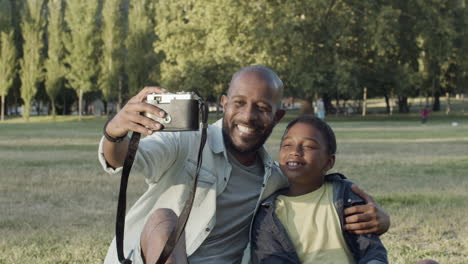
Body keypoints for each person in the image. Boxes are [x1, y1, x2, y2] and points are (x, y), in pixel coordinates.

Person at [99, 65, 390, 264]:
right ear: (224, 104)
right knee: (163, 219)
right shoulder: (187, 141)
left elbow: (316, 186)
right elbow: (119, 159)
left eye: (262, 108)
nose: (248, 116)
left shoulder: (276, 178)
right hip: (155, 257)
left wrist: (379, 221)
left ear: (277, 117)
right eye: (238, 103)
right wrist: (115, 131)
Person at [251, 115, 388, 263]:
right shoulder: (268, 213)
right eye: (287, 145)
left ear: (329, 162)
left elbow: (371, 251)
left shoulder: (346, 195)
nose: (295, 151)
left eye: (308, 146)